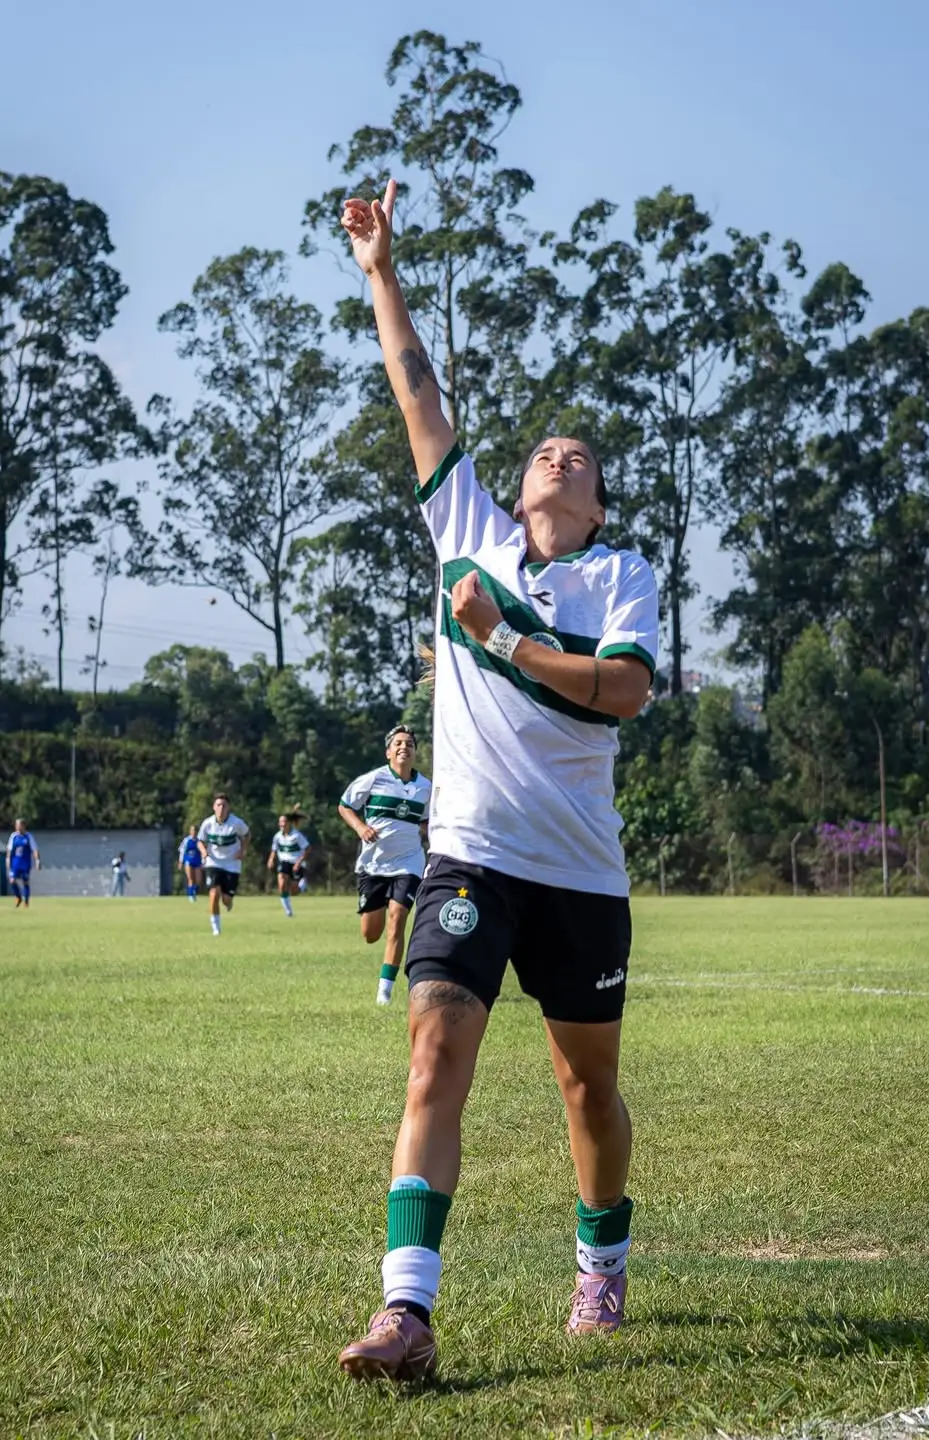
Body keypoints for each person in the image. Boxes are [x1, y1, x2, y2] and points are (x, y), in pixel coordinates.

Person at [336, 181, 659, 1381]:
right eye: (541, 450)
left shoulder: (623, 577)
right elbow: (415, 390)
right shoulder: (464, 527)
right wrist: (380, 271)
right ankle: (406, 1313)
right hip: (468, 854)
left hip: (579, 868)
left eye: (577, 458)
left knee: (587, 1090)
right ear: (519, 489)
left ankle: (602, 1261)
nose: (555, 455)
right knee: (434, 1052)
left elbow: (622, 692)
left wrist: (502, 640)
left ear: (594, 504)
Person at [338, 725, 431, 1006]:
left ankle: (384, 993)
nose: (404, 747)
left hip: (409, 863)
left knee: (397, 921)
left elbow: (427, 822)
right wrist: (360, 828)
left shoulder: (426, 788)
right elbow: (344, 805)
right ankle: (385, 986)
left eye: (409, 744)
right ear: (388, 751)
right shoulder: (373, 779)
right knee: (370, 934)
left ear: (415, 752)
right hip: (373, 865)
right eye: (399, 743)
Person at [196, 793, 250, 937]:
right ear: (214, 807)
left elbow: (247, 835)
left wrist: (243, 850)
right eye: (218, 805)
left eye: (224, 805)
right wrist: (203, 852)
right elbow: (200, 840)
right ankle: (216, 928)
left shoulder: (236, 823)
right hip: (213, 862)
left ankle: (229, 901)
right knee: (213, 894)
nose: (221, 808)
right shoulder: (207, 823)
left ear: (228, 808)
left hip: (232, 863)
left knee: (226, 899)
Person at [267, 812, 312, 917]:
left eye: (284, 822)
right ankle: (288, 912)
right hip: (284, 862)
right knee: (282, 885)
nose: (282, 824)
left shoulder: (297, 836)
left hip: (296, 863)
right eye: (280, 822)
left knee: (294, 891)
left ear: (289, 823)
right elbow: (274, 849)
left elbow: (308, 849)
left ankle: (302, 886)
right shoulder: (277, 836)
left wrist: (299, 862)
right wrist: (271, 860)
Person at [6, 819, 40, 909]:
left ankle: (26, 902)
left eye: (18, 825)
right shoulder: (13, 836)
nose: (17, 827)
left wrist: (37, 861)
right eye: (16, 825)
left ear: (23, 826)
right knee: (12, 880)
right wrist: (8, 859)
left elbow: (35, 849)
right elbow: (9, 849)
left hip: (25, 863)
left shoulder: (28, 837)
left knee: (25, 881)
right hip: (15, 863)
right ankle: (18, 897)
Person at [180, 827, 204, 902]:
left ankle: (194, 891)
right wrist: (181, 862)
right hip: (188, 861)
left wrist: (203, 861)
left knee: (198, 880)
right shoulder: (187, 840)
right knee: (190, 878)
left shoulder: (199, 841)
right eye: (192, 830)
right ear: (190, 831)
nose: (193, 832)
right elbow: (182, 851)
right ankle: (190, 895)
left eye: (195, 831)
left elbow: (203, 851)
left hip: (197, 861)